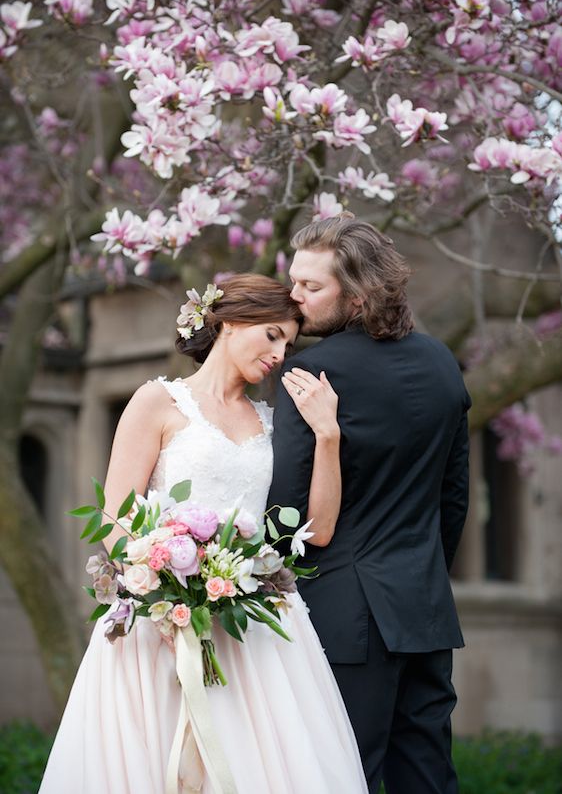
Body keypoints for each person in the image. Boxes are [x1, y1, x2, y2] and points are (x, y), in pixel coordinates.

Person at [39, 274, 368, 794]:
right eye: (273, 335)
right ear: (230, 323)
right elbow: (114, 517)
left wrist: (327, 435)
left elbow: (319, 529)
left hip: (254, 626)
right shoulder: (157, 402)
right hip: (160, 624)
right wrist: (160, 583)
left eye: (290, 343)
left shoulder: (277, 422)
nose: (282, 355)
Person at [267, 214, 471, 794]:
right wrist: (423, 572)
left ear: (356, 298)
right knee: (427, 774)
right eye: (294, 281)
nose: (294, 296)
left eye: (311, 287)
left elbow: (286, 514)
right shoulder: (441, 363)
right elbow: (452, 500)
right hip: (424, 607)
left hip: (342, 614)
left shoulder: (308, 374)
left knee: (341, 774)